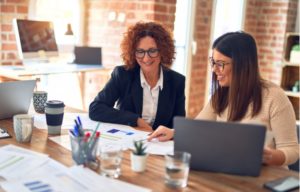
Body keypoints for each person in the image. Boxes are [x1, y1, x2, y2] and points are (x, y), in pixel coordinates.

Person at [148, 31, 299, 167]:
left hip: (265, 176)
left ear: (243, 64)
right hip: (230, 171)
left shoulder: (274, 97)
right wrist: (173, 132)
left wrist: (270, 156)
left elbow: (292, 150)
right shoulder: (221, 95)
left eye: (221, 64)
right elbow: (198, 128)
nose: (214, 69)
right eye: (213, 62)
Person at [89, 21, 186, 131]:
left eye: (152, 51)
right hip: (127, 140)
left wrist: (171, 132)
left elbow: (179, 126)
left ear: (163, 51)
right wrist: (136, 120)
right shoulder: (122, 74)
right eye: (140, 52)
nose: (146, 58)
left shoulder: (177, 81)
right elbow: (96, 109)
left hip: (159, 144)